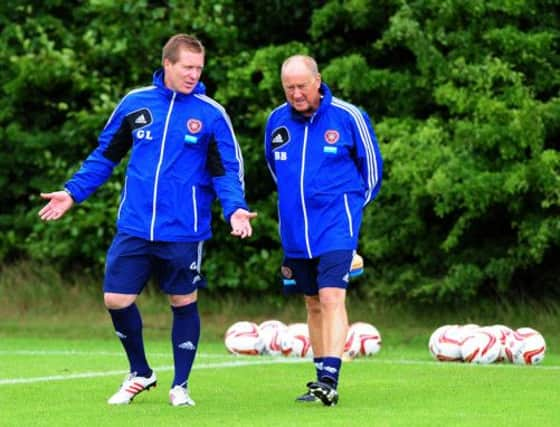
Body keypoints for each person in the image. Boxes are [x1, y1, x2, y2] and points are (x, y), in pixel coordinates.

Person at [39, 33, 257, 407]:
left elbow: (226, 170)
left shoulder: (210, 113)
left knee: (182, 299)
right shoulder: (135, 104)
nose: (194, 75)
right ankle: (140, 372)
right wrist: (72, 192)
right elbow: (104, 157)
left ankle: (181, 385)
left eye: (199, 68)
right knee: (115, 298)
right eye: (187, 67)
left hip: (184, 229)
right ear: (168, 64)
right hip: (135, 225)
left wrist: (234, 208)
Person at [264, 55, 382, 406]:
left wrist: (348, 211)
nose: (296, 94)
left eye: (301, 86)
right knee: (312, 302)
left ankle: (330, 379)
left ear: (318, 81)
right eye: (289, 88)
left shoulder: (348, 116)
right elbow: (276, 169)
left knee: (332, 297)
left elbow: (372, 171)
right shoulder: (276, 121)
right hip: (296, 230)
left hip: (336, 225)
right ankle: (319, 379)